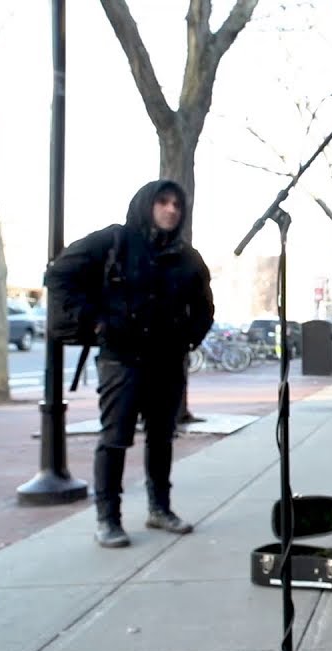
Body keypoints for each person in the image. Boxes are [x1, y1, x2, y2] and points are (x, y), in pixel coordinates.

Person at [44, 180, 215, 548]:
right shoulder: (114, 241)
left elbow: (205, 307)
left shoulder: (188, 257)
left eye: (176, 204)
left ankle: (160, 509)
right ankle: (108, 518)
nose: (171, 210)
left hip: (168, 362)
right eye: (163, 202)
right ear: (146, 205)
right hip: (122, 359)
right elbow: (59, 274)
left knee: (161, 438)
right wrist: (95, 321)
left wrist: (188, 339)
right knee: (115, 439)